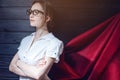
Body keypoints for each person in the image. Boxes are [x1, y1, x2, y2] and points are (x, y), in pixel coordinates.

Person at [9, 0, 64, 80]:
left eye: (36, 12)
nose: (31, 15)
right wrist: (33, 71)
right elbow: (11, 67)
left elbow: (38, 75)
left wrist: (18, 62)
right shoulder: (25, 40)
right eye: (30, 12)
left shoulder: (54, 43)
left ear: (47, 17)